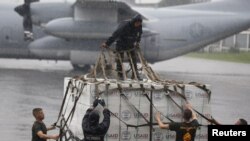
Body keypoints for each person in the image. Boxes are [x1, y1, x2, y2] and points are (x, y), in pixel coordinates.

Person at [101, 14, 143, 80]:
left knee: (133, 59)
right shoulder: (125, 26)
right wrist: (107, 43)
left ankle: (135, 74)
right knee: (120, 60)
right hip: (121, 43)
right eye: (137, 23)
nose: (138, 24)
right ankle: (120, 75)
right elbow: (115, 35)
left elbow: (139, 34)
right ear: (134, 22)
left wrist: (137, 42)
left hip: (130, 44)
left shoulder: (139, 26)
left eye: (139, 23)